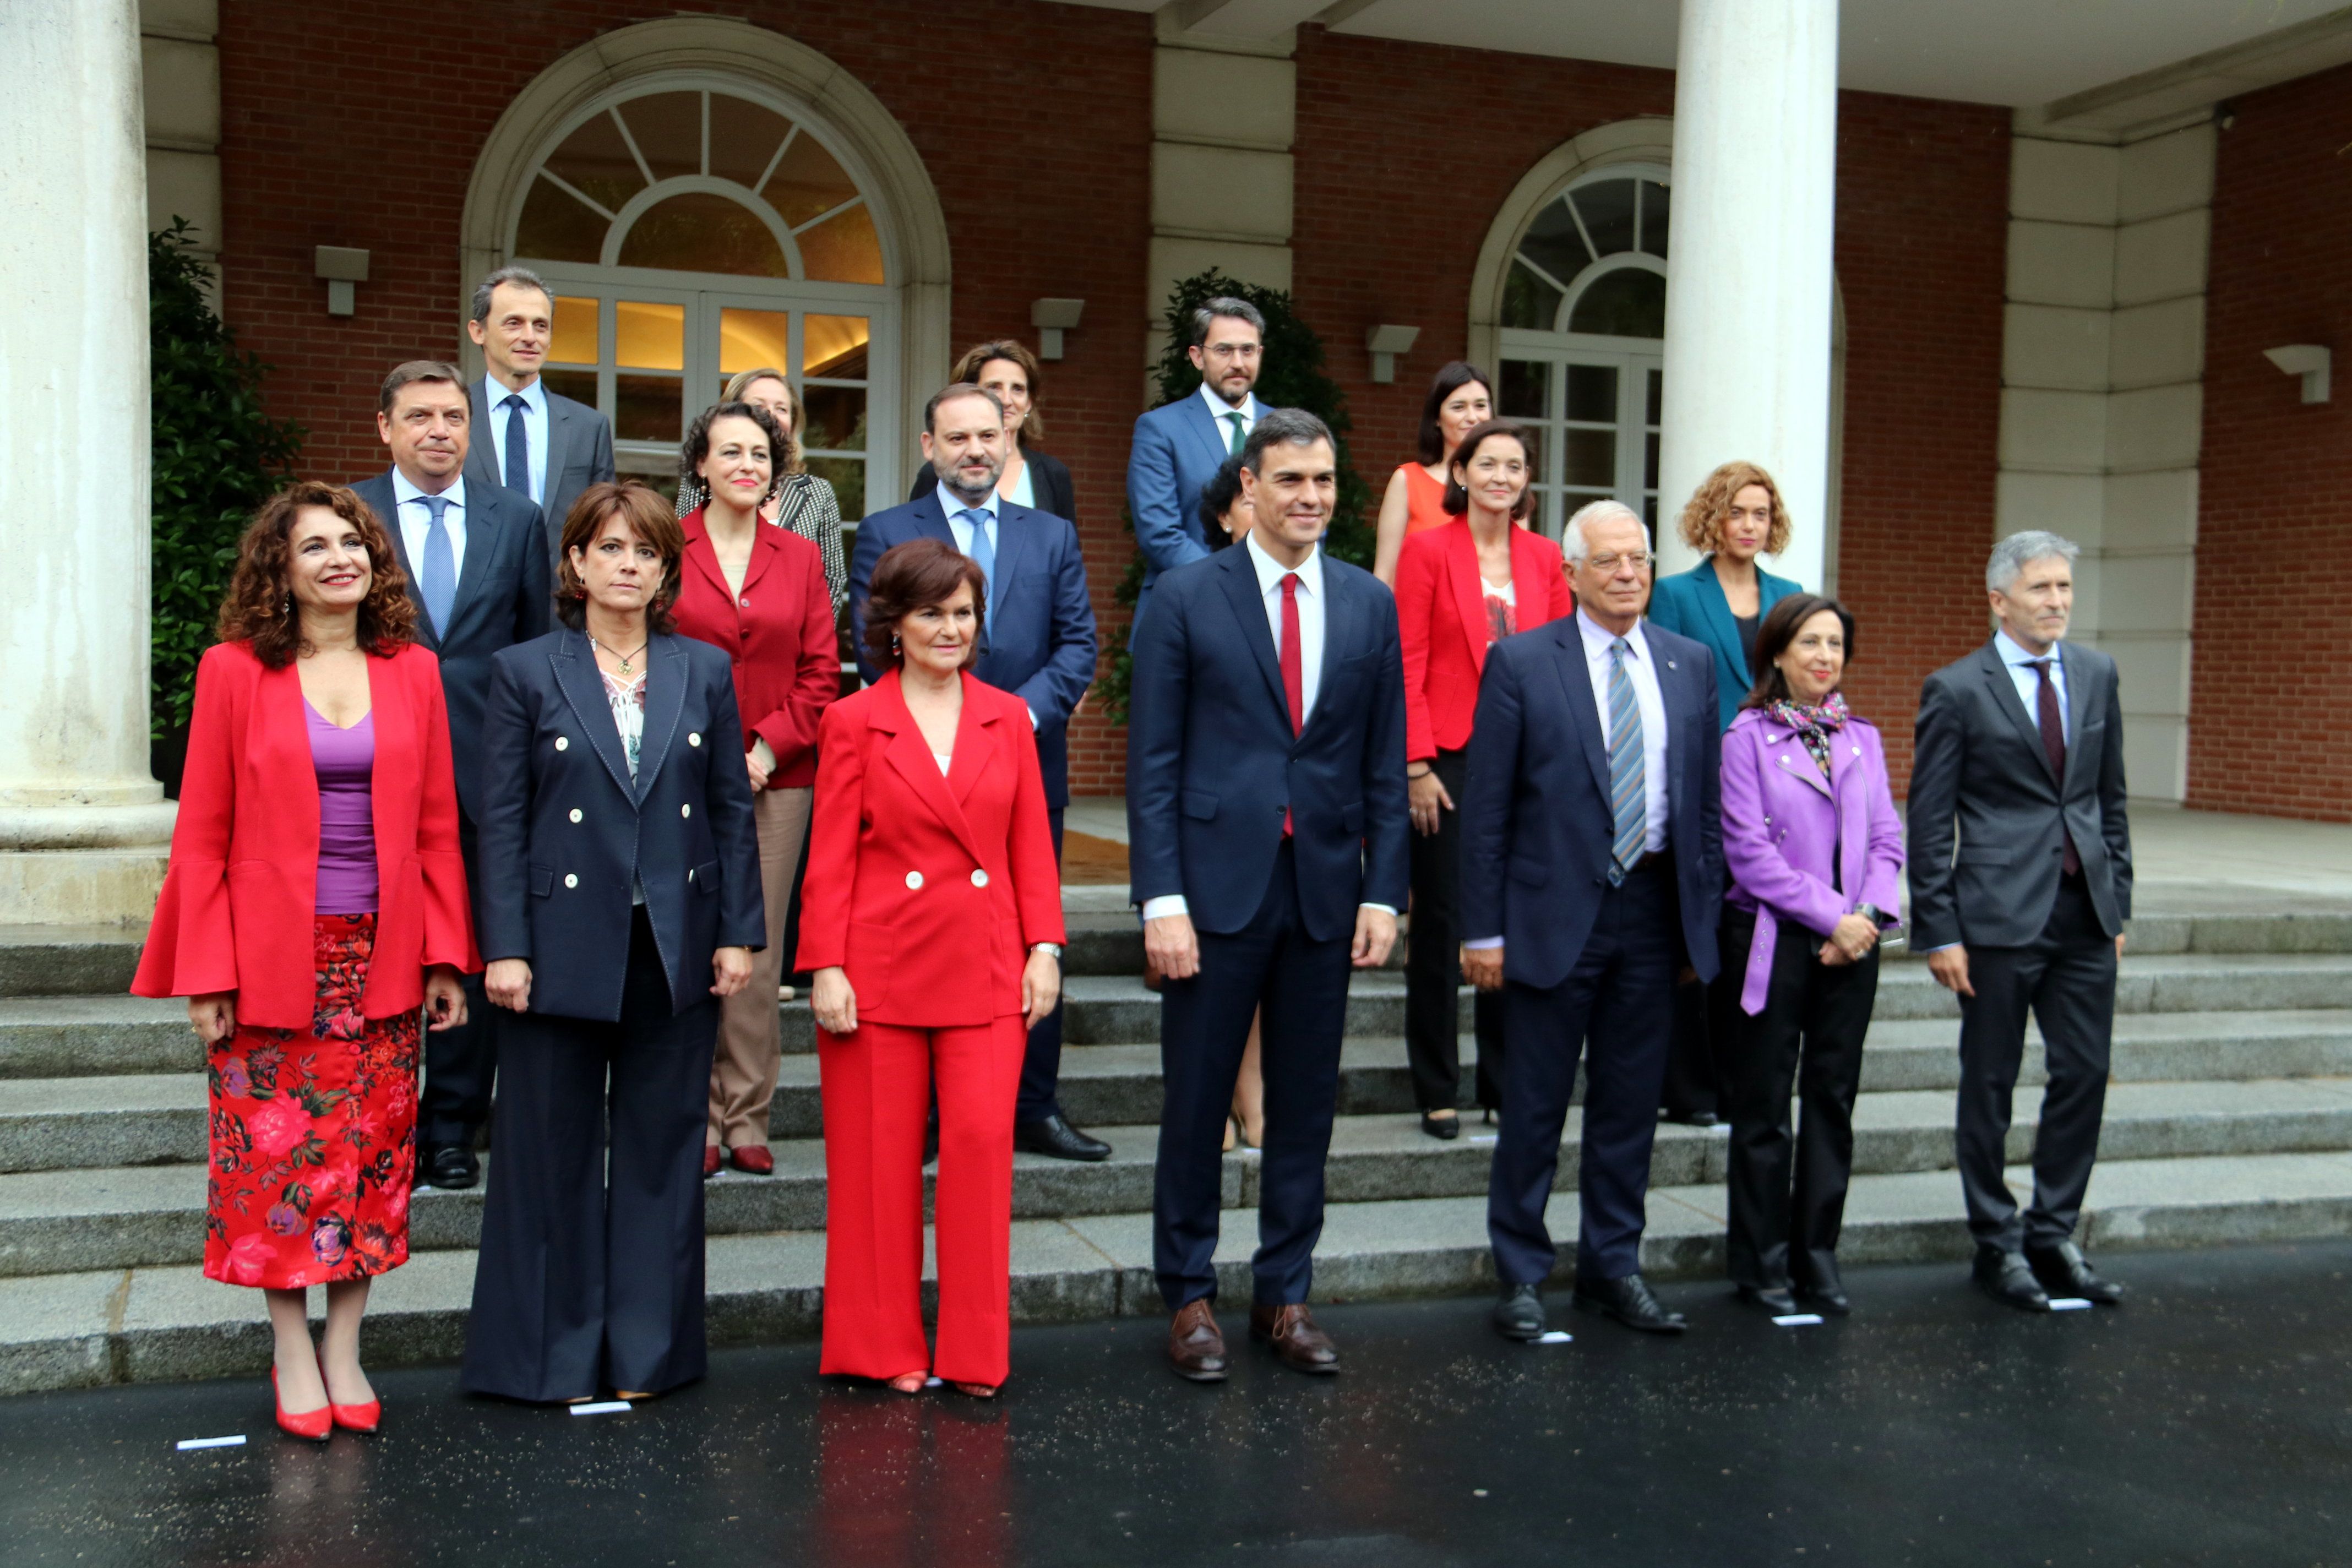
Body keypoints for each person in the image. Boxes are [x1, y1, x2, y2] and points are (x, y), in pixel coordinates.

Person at [132, 482, 477, 1439]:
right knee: (275, 1164)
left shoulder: (414, 670)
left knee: (368, 1159)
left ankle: (345, 1346)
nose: (340, 558)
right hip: (273, 956)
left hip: (383, 954)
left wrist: (447, 955)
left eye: (353, 541)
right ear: (278, 570)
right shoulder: (234, 670)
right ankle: (292, 1348)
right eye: (315, 545)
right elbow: (201, 833)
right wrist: (206, 971)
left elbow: (440, 827)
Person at [462, 481, 764, 1403]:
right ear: (576, 563)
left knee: (662, 1150)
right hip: (554, 944)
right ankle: (546, 1359)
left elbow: (726, 810)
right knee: (544, 1153)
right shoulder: (524, 670)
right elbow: (502, 818)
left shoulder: (703, 670)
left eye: (647, 552)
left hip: (672, 941)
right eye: (612, 548)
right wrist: (504, 943)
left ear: (665, 570)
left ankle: (647, 1354)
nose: (629, 565)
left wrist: (738, 933)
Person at [1128, 409, 1409, 1381]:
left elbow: (1383, 764)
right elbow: (1153, 760)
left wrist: (1387, 893)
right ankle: (1189, 1294)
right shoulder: (1185, 596)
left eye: (1324, 481)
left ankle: (1284, 1295)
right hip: (1210, 893)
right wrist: (1157, 895)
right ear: (1247, 486)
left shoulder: (1368, 602)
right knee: (1198, 1100)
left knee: (1303, 1106)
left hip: (1326, 891)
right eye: (1290, 480)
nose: (1310, 498)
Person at [801, 538, 1065, 1398]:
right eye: (932, 614)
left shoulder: (1006, 717)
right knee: (876, 1166)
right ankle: (881, 1347)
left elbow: (1031, 844)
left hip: (988, 962)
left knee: (984, 1152)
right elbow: (830, 855)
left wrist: (1047, 948)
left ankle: (974, 1352)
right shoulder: (853, 720)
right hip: (877, 968)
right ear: (894, 625)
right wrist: (826, 966)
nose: (951, 629)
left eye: (963, 613)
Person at [1461, 499, 1723, 1341]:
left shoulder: (1688, 664)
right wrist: (1482, 930)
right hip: (1549, 917)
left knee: (1629, 1105)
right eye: (1608, 561)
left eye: (1639, 560)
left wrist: (1699, 927)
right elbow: (1487, 811)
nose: (1627, 574)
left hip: (1651, 913)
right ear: (1570, 573)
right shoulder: (1523, 663)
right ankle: (1523, 1275)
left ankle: (1614, 1266)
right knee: (1533, 1106)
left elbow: (1705, 807)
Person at [853, 384, 1102, 1162]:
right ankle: (931, 1115)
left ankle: (1035, 1106)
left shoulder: (1052, 534)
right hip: (916, 781)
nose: (975, 451)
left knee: (1035, 931)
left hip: (1024, 770)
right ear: (928, 446)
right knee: (932, 936)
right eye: (957, 437)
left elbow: (1078, 648)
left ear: (1008, 438)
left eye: (988, 436)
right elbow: (869, 644)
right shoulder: (888, 531)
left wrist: (1012, 723)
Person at [1909, 531, 2131, 1313]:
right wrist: (1938, 928)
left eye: (2065, 587)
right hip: (1997, 920)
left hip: (2084, 916)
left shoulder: (2098, 674)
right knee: (1992, 1083)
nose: (2058, 602)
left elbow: (2110, 798)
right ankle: (1995, 1241)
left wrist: (2119, 902)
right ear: (1999, 599)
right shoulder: (1957, 688)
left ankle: (2053, 1231)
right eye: (2041, 589)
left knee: (2084, 1073)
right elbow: (1931, 820)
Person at [354, 361, 552, 1191]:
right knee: (378, 952)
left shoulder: (518, 519)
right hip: (369, 769)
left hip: (485, 767)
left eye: (453, 417)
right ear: (386, 427)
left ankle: (450, 1128)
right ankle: (375, 1124)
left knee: (467, 951)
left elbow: (542, 643)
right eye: (421, 417)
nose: (440, 431)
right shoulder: (346, 514)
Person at [1715, 594, 1903, 1317]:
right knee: (1764, 1108)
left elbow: (1888, 839)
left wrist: (1865, 917)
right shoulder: (1744, 739)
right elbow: (1750, 856)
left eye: (1835, 644)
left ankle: (1816, 1257)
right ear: (1779, 653)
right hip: (1774, 941)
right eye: (1810, 643)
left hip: (1853, 946)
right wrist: (1836, 917)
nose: (1825, 656)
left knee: (1832, 1101)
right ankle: (1760, 1263)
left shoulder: (1863, 737)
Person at [671, 402, 839, 1178]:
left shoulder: (801, 557)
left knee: (758, 945)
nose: (746, 464)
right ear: (699, 465)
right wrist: (705, 754)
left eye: (761, 453)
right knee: (685, 941)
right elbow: (648, 656)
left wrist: (768, 749)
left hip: (779, 778)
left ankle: (745, 1115)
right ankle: (693, 1116)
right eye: (729, 451)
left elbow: (820, 672)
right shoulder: (667, 546)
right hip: (674, 776)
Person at [1393, 419, 1572, 1139]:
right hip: (1450, 755)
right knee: (1441, 923)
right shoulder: (1427, 550)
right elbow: (1403, 659)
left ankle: (1504, 1080)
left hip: (1531, 759)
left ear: (1528, 479)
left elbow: (1567, 661)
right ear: (1461, 474)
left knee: (1520, 919)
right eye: (1487, 463)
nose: (1501, 476)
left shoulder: (1547, 556)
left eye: (1515, 465)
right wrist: (1415, 764)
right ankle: (1438, 1086)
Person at [1646, 461, 1805, 1128]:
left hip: (1774, 785)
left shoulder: (1791, 592)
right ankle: (1689, 1087)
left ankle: (1747, 1084)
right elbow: (1663, 686)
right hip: (1700, 782)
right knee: (1696, 929)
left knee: (1753, 933)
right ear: (1714, 516)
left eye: (1760, 513)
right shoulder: (1678, 593)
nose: (1748, 524)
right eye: (1737, 511)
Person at [1194, 457, 1265, 1152]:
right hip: (1214, 834)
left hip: (1287, 830)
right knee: (1212, 988)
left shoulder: (1329, 597)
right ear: (1226, 515)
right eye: (1248, 504)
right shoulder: (1190, 596)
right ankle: (1213, 1098)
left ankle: (1254, 1092)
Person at [1125, 296, 1269, 637]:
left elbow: (1309, 522)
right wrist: (1232, 589)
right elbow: (1160, 533)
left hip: (1272, 618)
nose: (1238, 362)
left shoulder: (1286, 431)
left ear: (1260, 355)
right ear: (1197, 356)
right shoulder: (1160, 429)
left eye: (1248, 350)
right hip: (1185, 617)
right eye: (1224, 350)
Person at [463, 265, 617, 566]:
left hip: (559, 602)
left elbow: (604, 526)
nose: (530, 337)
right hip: (471, 602)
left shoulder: (588, 427)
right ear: (478, 332)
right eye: (513, 323)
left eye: (540, 325)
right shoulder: (452, 418)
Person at [677, 367, 848, 607]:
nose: (772, 416)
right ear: (733, 412)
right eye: (760, 407)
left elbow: (832, 578)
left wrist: (809, 633)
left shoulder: (817, 493)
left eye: (782, 409)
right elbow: (681, 555)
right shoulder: (704, 482)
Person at [908, 339, 1079, 523]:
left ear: (1028, 403)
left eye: (1018, 389)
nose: (1007, 400)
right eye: (994, 387)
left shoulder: (1053, 474)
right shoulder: (936, 473)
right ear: (969, 394)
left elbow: (1066, 547)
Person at [1372, 361, 1494, 585]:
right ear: (1437, 418)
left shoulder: (1506, 483)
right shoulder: (1408, 481)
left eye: (1480, 406)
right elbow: (1385, 576)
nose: (1472, 417)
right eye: (1459, 407)